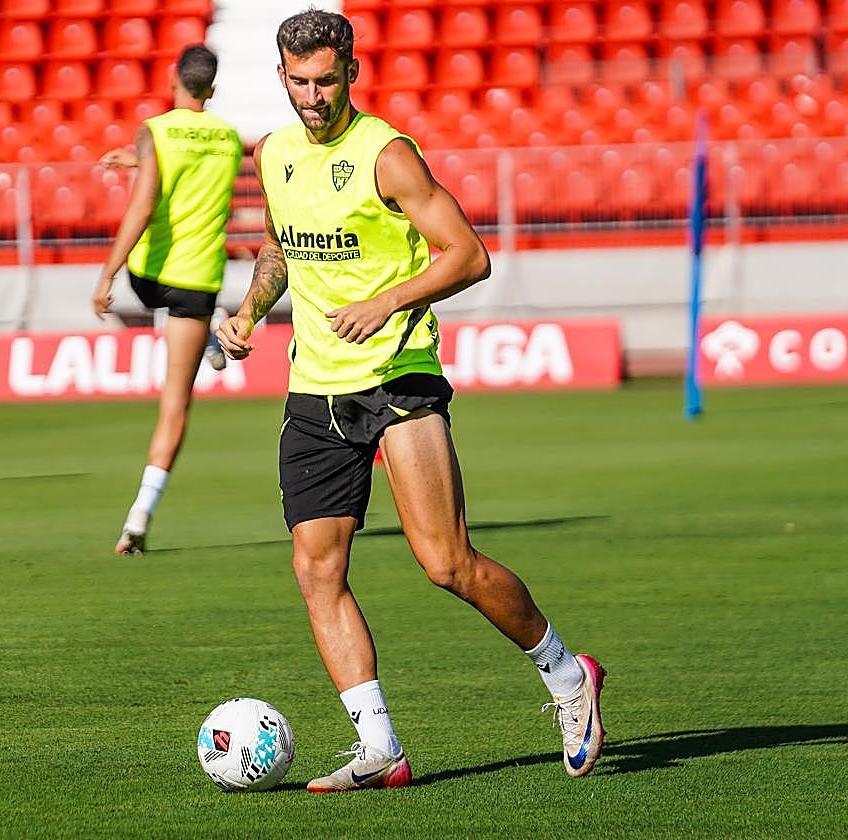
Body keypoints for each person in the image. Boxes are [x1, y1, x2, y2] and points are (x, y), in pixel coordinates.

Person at [215, 10, 607, 792]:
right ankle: (380, 749)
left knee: (446, 563)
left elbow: (469, 254)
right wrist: (249, 312)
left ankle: (569, 675)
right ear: (281, 77)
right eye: (299, 81)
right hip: (313, 389)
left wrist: (388, 301)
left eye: (327, 80)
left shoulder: (387, 155)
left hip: (397, 381)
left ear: (351, 71)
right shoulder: (275, 153)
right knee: (315, 570)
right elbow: (278, 246)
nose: (313, 96)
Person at [93, 44, 244, 555]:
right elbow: (198, 154)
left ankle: (206, 334)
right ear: (213, 89)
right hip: (198, 286)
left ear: (173, 77)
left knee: (146, 289)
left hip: (149, 278)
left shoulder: (154, 130)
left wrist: (108, 272)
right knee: (175, 403)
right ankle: (139, 515)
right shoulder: (227, 135)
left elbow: (141, 205)